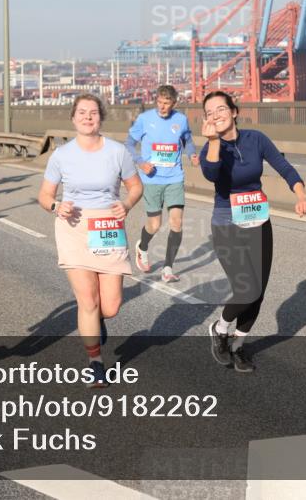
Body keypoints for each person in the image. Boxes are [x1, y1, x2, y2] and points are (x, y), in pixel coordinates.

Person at [200, 91, 306, 373]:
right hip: (227, 223)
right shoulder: (210, 148)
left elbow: (284, 167)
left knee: (258, 292)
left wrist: (301, 194)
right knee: (246, 288)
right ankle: (220, 328)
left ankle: (237, 347)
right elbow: (212, 173)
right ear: (206, 120)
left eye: (221, 108)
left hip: (258, 220)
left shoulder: (256, 139)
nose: (216, 114)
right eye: (209, 112)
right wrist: (213, 141)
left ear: (234, 111)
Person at [37, 93, 143, 388]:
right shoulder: (61, 155)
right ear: (73, 118)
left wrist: (128, 204)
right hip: (74, 228)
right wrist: (57, 206)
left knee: (110, 307)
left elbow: (135, 187)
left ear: (100, 118)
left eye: (93, 112)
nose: (87, 117)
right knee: (88, 301)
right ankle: (95, 362)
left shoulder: (118, 151)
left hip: (107, 225)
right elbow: (44, 196)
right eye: (82, 112)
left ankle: (97, 322)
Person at [126, 84, 198, 283]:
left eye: (166, 103)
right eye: (159, 102)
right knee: (155, 224)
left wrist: (192, 153)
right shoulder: (144, 119)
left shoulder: (181, 120)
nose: (162, 107)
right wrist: (141, 162)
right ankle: (143, 246)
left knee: (176, 223)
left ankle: (167, 268)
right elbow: (129, 144)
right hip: (152, 179)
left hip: (174, 177)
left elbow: (188, 140)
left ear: (174, 103)